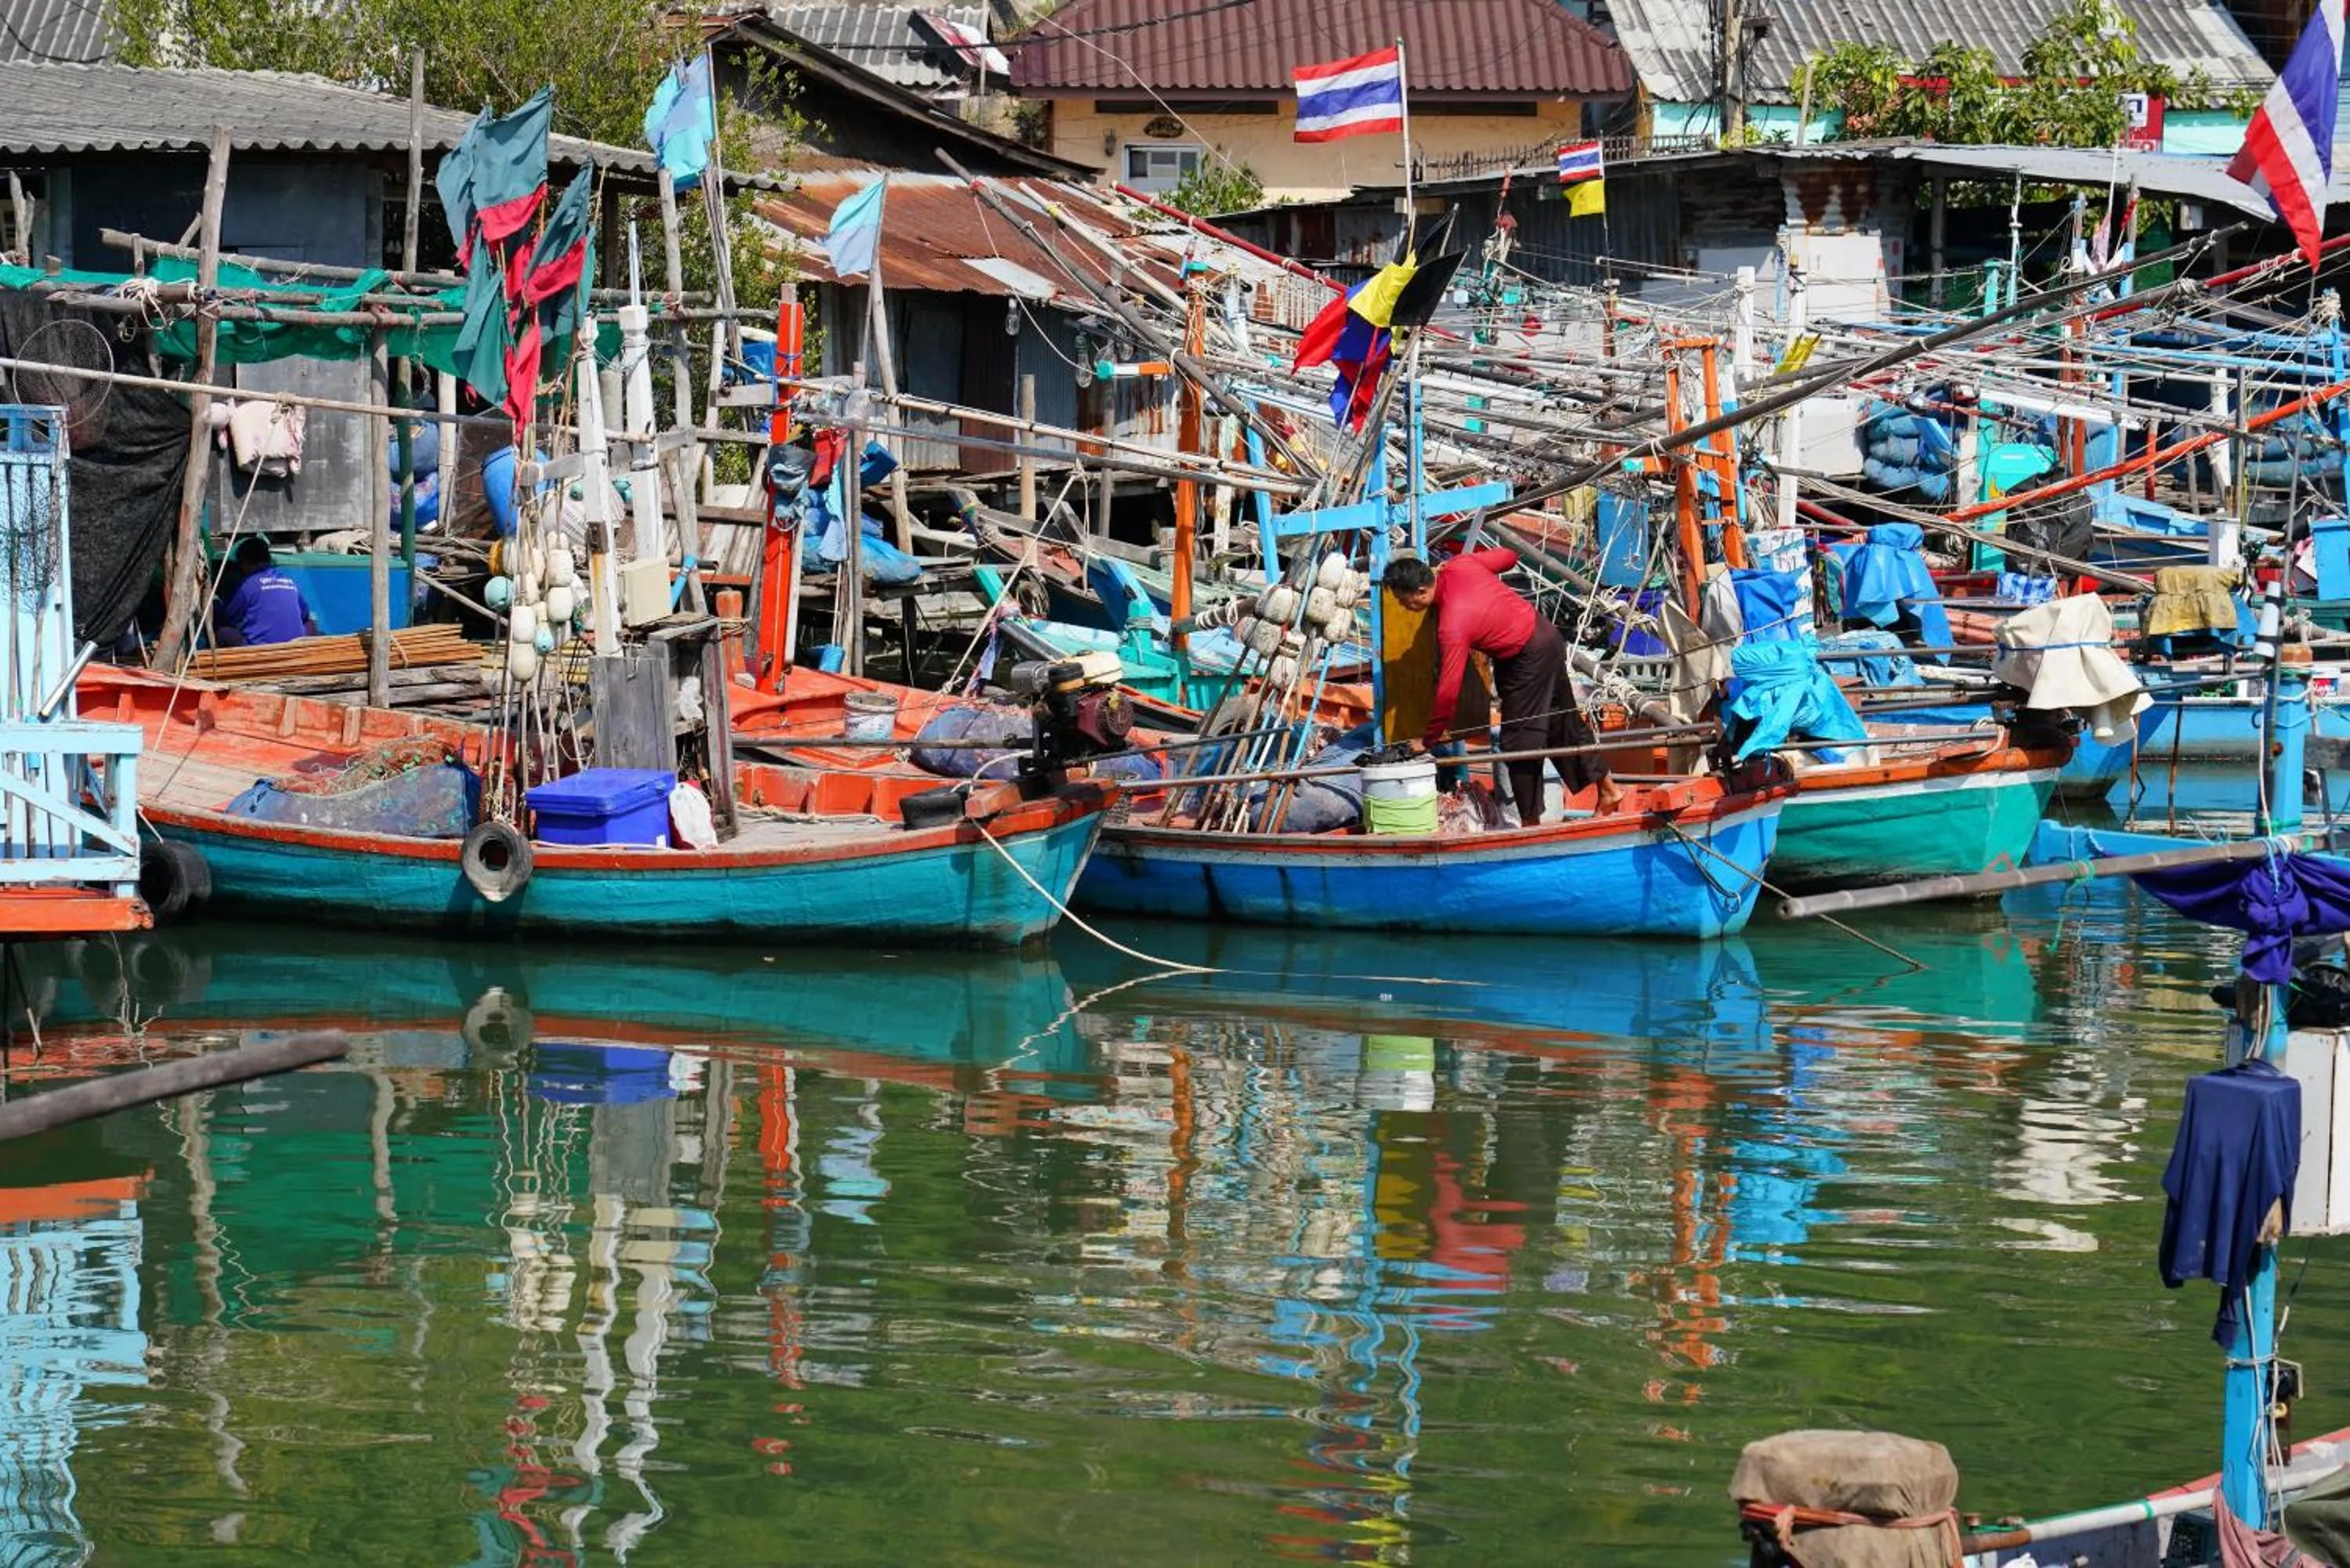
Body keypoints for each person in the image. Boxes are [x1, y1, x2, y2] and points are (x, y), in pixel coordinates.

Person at [1386, 548, 1623, 822]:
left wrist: (1428, 739)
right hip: (1544, 635)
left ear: (1421, 592)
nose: (1405, 608)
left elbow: (1448, 690)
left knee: (1519, 742)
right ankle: (1609, 791)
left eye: (1405, 602)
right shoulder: (1459, 565)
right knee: (1563, 723)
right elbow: (1510, 556)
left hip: (1529, 655)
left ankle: (1530, 823)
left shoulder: (1452, 625)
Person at [214, 536, 316, 648]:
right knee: (311, 624)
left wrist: (216, 605)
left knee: (223, 632)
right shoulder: (288, 582)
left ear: (246, 562)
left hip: (258, 649)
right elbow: (305, 614)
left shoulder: (247, 585)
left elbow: (228, 617)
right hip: (293, 645)